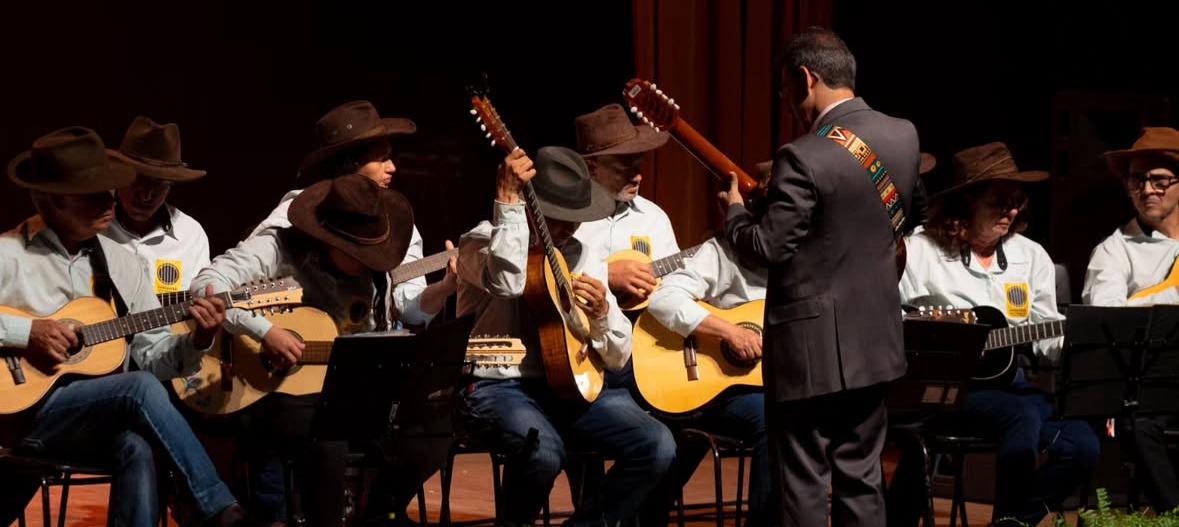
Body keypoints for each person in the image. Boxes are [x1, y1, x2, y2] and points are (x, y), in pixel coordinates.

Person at [723, 26, 925, 527]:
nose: (788, 103)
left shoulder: (803, 155)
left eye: (786, 90)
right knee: (862, 476)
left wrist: (733, 214)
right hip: (875, 343)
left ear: (805, 78)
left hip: (808, 350)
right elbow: (911, 211)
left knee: (804, 481)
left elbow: (767, 247)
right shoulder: (903, 135)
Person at [0, 126, 245, 527]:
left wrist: (199, 340)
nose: (110, 201)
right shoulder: (8, 255)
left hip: (88, 420)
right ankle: (220, 512)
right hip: (23, 416)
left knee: (137, 445)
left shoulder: (123, 264)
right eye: (94, 193)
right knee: (137, 389)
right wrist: (27, 334)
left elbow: (151, 357)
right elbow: (140, 384)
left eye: (111, 188)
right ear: (54, 199)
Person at [455, 146, 675, 527]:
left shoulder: (581, 252)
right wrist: (506, 204)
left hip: (570, 387)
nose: (572, 227)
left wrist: (604, 314)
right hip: (500, 385)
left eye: (577, 217)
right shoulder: (480, 242)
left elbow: (619, 355)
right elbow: (508, 282)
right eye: (560, 218)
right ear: (531, 206)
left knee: (657, 444)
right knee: (544, 454)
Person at [191, 172, 415, 527]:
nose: (372, 260)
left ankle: (378, 514)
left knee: (426, 427)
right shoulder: (277, 248)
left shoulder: (376, 274)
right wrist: (265, 332)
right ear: (334, 242)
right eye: (362, 252)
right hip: (261, 389)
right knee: (328, 431)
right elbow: (205, 288)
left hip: (344, 394)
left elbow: (369, 338)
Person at [900, 142, 1099, 525]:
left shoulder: (1031, 256)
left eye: (1017, 202)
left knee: (1082, 445)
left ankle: (1015, 519)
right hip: (944, 394)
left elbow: (1045, 336)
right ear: (965, 203)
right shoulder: (919, 250)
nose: (1011, 211)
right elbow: (893, 320)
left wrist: (1075, 344)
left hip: (1012, 385)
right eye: (999, 201)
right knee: (1020, 415)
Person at [1084, 127, 1179, 513]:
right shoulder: (1113, 250)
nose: (1147, 190)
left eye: (1159, 180)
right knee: (1141, 427)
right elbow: (1109, 320)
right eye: (1137, 180)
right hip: (1151, 384)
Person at [572, 103, 677, 307]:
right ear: (592, 168)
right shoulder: (564, 218)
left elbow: (675, 285)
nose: (638, 177)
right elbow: (542, 278)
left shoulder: (654, 219)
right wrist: (606, 274)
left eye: (638, 167)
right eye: (625, 169)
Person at [104, 116, 211, 295]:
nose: (146, 195)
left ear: (171, 186)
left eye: (159, 185)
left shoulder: (191, 235)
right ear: (120, 176)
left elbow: (196, 307)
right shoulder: (89, 224)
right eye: (139, 181)